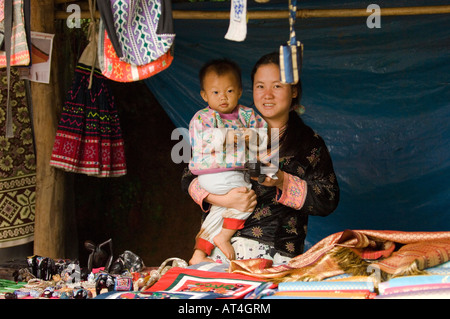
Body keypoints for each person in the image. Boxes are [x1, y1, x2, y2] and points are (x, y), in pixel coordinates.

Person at [182, 52, 340, 264]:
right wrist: (222, 199)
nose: (267, 95)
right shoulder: (227, 123)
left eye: (277, 86)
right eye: (260, 86)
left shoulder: (308, 143)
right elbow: (188, 177)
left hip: (274, 255)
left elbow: (328, 199)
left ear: (293, 90)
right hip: (217, 252)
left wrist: (283, 180)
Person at [188, 58, 268, 265]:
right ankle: (223, 237)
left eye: (229, 91)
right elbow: (202, 140)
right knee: (245, 197)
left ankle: (199, 253)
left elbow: (263, 135)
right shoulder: (202, 118)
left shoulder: (247, 115)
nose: (223, 97)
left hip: (229, 175)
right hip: (214, 174)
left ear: (240, 91)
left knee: (219, 212)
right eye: (215, 92)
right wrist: (228, 136)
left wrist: (253, 135)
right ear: (204, 95)